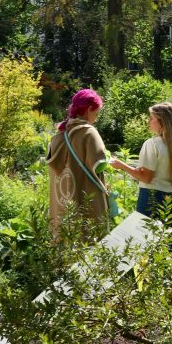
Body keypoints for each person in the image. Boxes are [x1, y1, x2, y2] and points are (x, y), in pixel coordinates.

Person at [111, 102, 172, 248]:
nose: (148, 121)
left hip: (152, 197)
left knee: (141, 244)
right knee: (166, 244)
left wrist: (122, 165)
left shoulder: (152, 144)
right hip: (171, 196)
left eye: (151, 118)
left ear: (162, 122)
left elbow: (146, 178)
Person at [46, 89, 110, 239]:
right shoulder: (89, 132)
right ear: (89, 110)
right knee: (87, 237)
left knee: (64, 234)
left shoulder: (60, 134)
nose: (96, 118)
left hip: (62, 198)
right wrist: (107, 157)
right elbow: (100, 165)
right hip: (84, 196)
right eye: (96, 113)